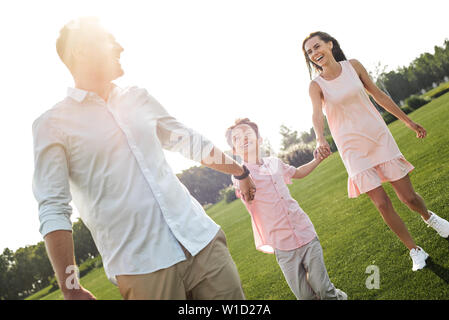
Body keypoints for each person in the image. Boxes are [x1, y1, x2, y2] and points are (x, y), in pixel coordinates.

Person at [32, 17, 257, 300]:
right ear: (80, 50)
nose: (120, 47)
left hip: (201, 241)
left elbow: (188, 141)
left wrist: (240, 171)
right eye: (109, 41)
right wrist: (70, 286)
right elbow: (53, 207)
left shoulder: (138, 97)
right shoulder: (52, 124)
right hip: (142, 269)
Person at [302, 31, 449, 271]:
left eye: (316, 46)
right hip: (352, 149)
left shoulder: (353, 66)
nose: (314, 53)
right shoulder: (315, 85)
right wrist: (320, 139)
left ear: (330, 44)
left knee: (408, 197)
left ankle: (429, 218)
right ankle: (414, 250)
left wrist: (408, 121)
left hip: (378, 137)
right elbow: (316, 114)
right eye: (309, 52)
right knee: (382, 204)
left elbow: (378, 95)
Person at [226, 118, 347, 300]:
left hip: (304, 231)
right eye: (237, 138)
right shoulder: (240, 175)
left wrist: (317, 160)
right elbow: (242, 188)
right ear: (234, 150)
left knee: (323, 289)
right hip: (282, 244)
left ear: (259, 139)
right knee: (305, 297)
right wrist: (242, 177)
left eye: (247, 134)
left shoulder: (274, 162)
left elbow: (297, 173)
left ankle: (336, 296)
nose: (243, 138)